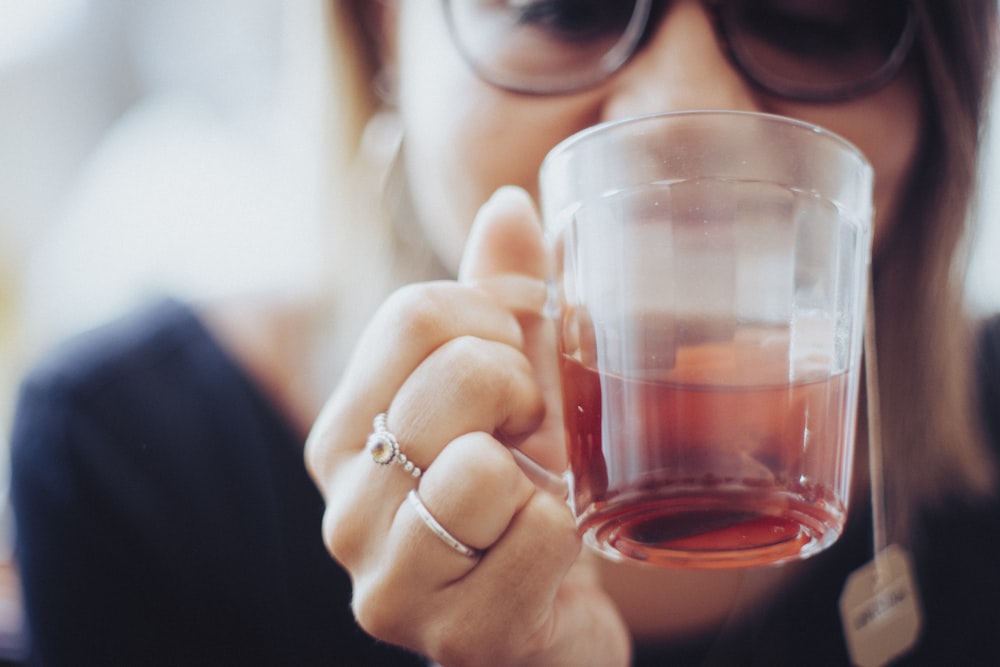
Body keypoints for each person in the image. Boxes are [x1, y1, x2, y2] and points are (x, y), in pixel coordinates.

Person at [9, 0, 1000, 665]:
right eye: (565, 2)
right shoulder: (125, 471)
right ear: (382, 34)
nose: (689, 112)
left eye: (815, 14)